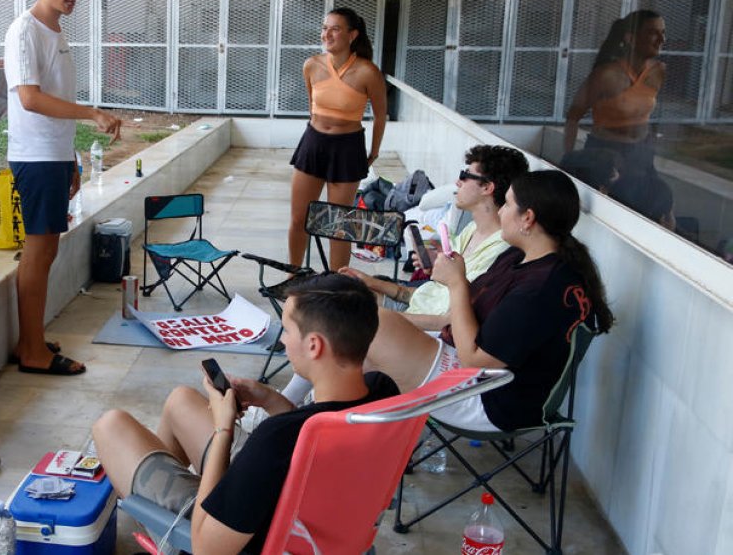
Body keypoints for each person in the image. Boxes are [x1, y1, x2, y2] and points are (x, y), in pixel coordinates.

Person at [91, 274, 398, 554]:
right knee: (180, 400)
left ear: (314, 345)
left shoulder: (275, 440)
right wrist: (269, 398)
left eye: (288, 330)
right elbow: (315, 433)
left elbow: (207, 548)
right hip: (309, 515)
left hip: (242, 539)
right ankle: (161, 507)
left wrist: (223, 428)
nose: (282, 339)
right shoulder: (383, 394)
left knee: (110, 426)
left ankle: (166, 526)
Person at [361, 170, 613, 433]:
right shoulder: (524, 258)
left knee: (366, 328)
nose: (500, 211)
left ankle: (333, 429)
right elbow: (475, 313)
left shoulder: (540, 289)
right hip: (477, 373)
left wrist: (456, 283)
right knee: (354, 328)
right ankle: (334, 427)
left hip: (491, 399)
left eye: (507, 204)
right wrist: (453, 276)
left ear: (527, 218)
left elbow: (475, 359)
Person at [276, 144, 528, 405]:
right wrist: (372, 282)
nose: (457, 181)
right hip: (417, 311)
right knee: (331, 295)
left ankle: (303, 408)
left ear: (488, 188)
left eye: (466, 175)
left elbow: (450, 318)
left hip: (433, 336)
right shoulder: (469, 233)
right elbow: (431, 294)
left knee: (339, 323)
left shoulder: (501, 251)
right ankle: (292, 404)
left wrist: (390, 317)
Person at [5, 0, 122, 376]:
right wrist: (92, 113)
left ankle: (29, 341)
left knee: (48, 250)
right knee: (38, 252)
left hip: (52, 156)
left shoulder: (55, 32)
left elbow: (55, 102)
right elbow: (31, 99)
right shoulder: (25, 31)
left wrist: (70, 158)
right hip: (34, 158)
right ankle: (32, 351)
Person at [288, 8, 388, 272]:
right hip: (313, 144)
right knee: (299, 218)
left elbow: (380, 116)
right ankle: (293, 274)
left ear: (352, 35)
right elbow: (312, 107)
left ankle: (336, 283)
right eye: (324, 28)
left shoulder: (368, 72)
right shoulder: (311, 65)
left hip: (347, 147)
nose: (326, 34)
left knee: (338, 224)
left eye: (335, 29)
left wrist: (373, 153)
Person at [563, 10, 666, 178]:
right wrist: (568, 159)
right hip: (605, 154)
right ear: (630, 38)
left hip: (641, 152)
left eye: (663, 33)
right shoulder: (606, 75)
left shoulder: (658, 71)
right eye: (653, 33)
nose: (661, 40)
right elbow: (573, 116)